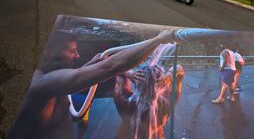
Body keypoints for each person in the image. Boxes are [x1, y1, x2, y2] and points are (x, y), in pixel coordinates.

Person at [7, 30, 177, 139]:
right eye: (72, 51)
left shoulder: (51, 79)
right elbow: (111, 66)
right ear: (50, 53)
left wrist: (126, 73)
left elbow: (76, 78)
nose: (77, 55)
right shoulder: (42, 84)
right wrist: (158, 40)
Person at [113, 45, 185, 139]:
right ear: (159, 86)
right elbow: (179, 70)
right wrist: (169, 77)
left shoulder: (124, 100)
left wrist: (129, 74)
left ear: (136, 83)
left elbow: (115, 68)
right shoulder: (166, 103)